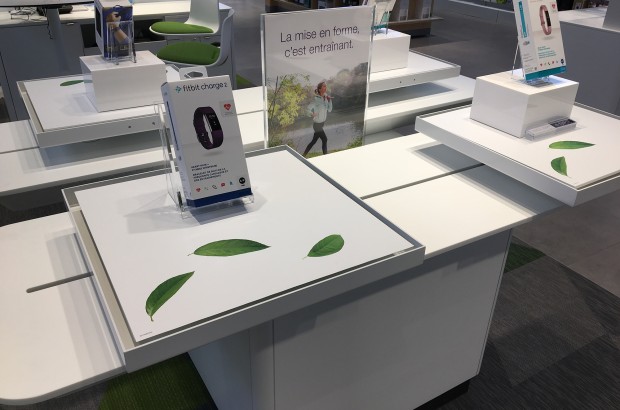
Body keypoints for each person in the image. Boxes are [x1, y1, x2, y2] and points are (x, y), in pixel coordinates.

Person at [303, 81, 333, 157]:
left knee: (313, 141)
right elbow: (307, 109)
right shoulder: (316, 99)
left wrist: (329, 101)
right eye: (324, 86)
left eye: (325, 86)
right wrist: (311, 114)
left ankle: (303, 156)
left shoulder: (326, 98)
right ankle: (325, 157)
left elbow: (329, 110)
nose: (325, 87)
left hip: (322, 124)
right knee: (325, 139)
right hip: (317, 125)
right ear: (319, 89)